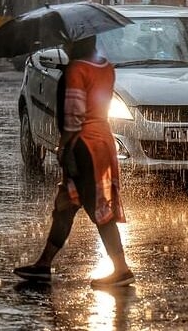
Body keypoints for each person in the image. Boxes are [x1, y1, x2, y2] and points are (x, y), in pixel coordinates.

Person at [13, 35, 134, 288]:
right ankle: (44, 264)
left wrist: (64, 146)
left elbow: (74, 114)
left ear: (76, 45)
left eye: (68, 43)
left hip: (83, 146)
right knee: (66, 205)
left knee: (97, 208)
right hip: (102, 141)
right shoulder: (106, 68)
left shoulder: (77, 70)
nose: (65, 47)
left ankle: (121, 269)